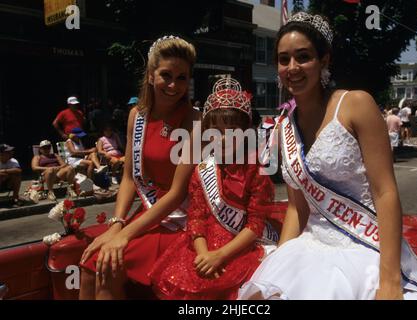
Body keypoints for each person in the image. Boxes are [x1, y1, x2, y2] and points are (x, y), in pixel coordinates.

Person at [238, 11, 417, 300]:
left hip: (364, 250)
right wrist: (277, 262)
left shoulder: (355, 104)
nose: (293, 67)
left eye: (303, 56)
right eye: (284, 59)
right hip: (309, 246)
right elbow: (296, 209)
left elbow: (385, 192)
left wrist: (389, 282)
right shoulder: (284, 126)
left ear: (324, 60)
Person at [78, 35, 200, 300]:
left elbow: (178, 193)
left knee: (105, 268)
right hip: (148, 211)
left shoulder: (194, 120)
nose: (173, 85)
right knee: (90, 267)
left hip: (179, 220)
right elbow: (130, 177)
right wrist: (116, 225)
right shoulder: (138, 115)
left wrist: (125, 235)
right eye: (166, 75)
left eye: (182, 78)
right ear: (150, 75)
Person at [149, 78, 279, 300]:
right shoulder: (202, 170)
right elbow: (196, 217)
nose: (223, 138)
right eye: (216, 131)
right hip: (203, 247)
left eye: (232, 131)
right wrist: (203, 254)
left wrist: (220, 256)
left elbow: (255, 224)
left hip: (240, 248)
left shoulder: (256, 171)